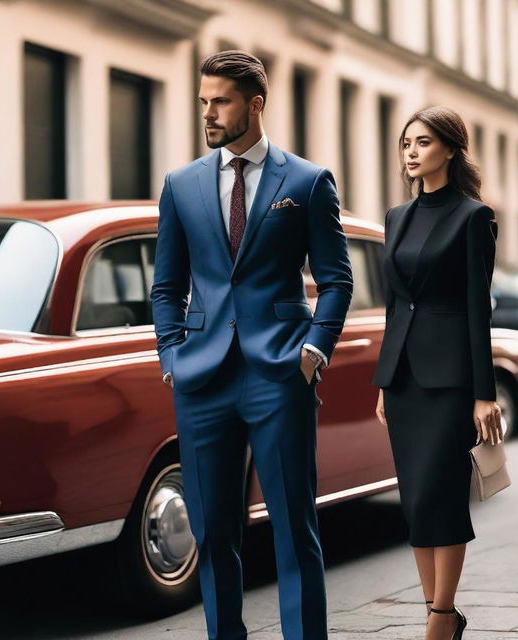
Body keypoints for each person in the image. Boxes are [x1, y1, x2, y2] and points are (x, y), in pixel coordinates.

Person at [150, 50, 353, 640]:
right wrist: (170, 355)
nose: (208, 113)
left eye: (221, 102)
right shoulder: (181, 185)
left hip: (280, 374)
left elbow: (338, 280)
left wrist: (314, 351)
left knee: (295, 529)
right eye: (203, 102)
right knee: (213, 533)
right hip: (202, 379)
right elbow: (166, 285)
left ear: (255, 103)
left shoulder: (308, 181)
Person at [373, 105, 502, 640]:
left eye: (423, 142)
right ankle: (438, 609)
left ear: (449, 149)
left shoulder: (473, 217)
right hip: (403, 379)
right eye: (406, 142)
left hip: (450, 381)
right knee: (415, 498)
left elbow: (479, 307)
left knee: (443, 494)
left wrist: (483, 394)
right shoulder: (396, 218)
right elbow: (393, 304)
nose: (411, 151)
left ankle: (440, 617)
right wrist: (384, 380)